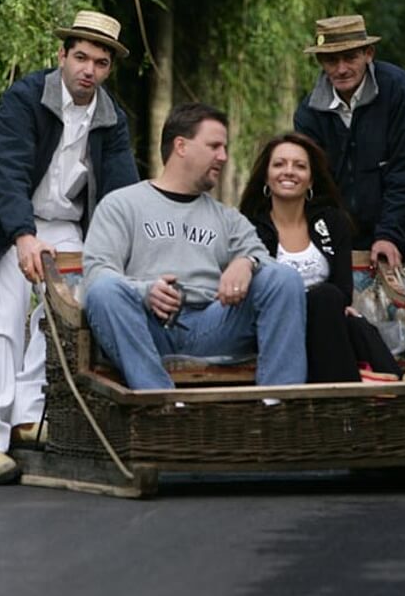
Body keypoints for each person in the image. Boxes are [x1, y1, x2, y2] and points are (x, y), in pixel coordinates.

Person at [0, 11, 139, 485]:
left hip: (67, 227)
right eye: (80, 57)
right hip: (5, 225)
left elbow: (120, 191)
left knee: (60, 321)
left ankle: (27, 417)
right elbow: (5, 171)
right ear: (62, 56)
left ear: (109, 68)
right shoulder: (24, 98)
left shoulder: (112, 119)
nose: (87, 70)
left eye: (99, 62)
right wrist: (23, 235)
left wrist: (124, 251)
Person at [81, 103, 307, 391]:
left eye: (224, 148)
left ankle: (279, 406)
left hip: (212, 326)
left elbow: (263, 259)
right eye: (214, 146)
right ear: (181, 146)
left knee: (284, 278)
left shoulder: (226, 217)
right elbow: (97, 276)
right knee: (103, 291)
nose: (223, 157)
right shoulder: (122, 205)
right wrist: (146, 292)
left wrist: (246, 262)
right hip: (145, 329)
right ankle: (161, 403)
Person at [294, 14, 405, 358]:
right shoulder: (309, 113)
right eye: (331, 60)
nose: (341, 68)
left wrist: (391, 234)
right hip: (356, 246)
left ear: (368, 54)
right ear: (321, 63)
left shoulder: (398, 90)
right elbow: (316, 189)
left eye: (350, 57)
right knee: (370, 341)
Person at [239, 132, 400, 383]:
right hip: (274, 326)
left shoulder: (332, 222)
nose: (289, 171)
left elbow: (343, 290)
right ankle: (352, 395)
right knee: (328, 304)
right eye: (279, 164)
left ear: (311, 180)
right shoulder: (248, 228)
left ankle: (349, 392)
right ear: (266, 176)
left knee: (329, 302)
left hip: (328, 320)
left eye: (300, 166)